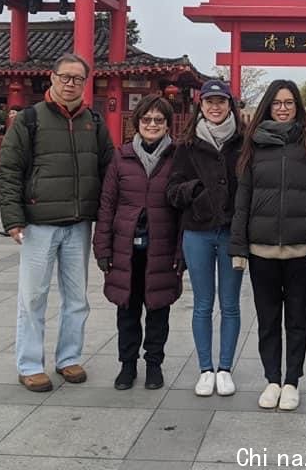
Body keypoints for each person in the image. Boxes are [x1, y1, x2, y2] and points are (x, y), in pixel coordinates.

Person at [0, 53, 114, 392]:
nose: (70, 84)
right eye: (65, 77)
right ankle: (30, 363)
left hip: (79, 223)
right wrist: (13, 218)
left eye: (78, 79)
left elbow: (109, 170)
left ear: (85, 83)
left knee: (77, 297)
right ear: (51, 78)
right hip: (39, 222)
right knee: (33, 296)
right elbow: (9, 170)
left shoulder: (93, 121)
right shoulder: (30, 119)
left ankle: (68, 358)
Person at [230, 80, 306, 411]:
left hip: (301, 250)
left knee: (298, 319)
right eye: (277, 103)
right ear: (268, 107)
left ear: (298, 106)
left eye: (289, 102)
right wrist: (239, 247)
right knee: (268, 318)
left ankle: (292, 380)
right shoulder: (253, 146)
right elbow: (242, 198)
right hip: (262, 250)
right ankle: (272, 378)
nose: (283, 107)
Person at [94, 94, 182, 392]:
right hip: (126, 247)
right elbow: (107, 204)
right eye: (147, 120)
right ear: (138, 123)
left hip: (162, 245)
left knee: (159, 309)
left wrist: (181, 251)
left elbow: (184, 210)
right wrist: (102, 247)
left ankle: (154, 364)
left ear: (168, 125)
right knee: (127, 310)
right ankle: (127, 365)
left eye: (159, 120)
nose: (152, 125)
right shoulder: (121, 157)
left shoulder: (178, 156)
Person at [167, 79, 244, 397]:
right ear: (201, 105)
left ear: (230, 105)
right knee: (201, 303)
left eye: (221, 101)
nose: (215, 106)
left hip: (231, 233)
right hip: (197, 232)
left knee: (230, 304)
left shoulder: (243, 142)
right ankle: (204, 368)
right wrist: (196, 192)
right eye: (209, 101)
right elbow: (172, 190)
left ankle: (225, 368)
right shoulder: (186, 145)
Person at [0, 106, 25, 238]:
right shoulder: (12, 128)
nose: (11, 115)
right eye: (11, 113)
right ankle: (11, 224)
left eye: (14, 112)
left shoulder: (23, 128)